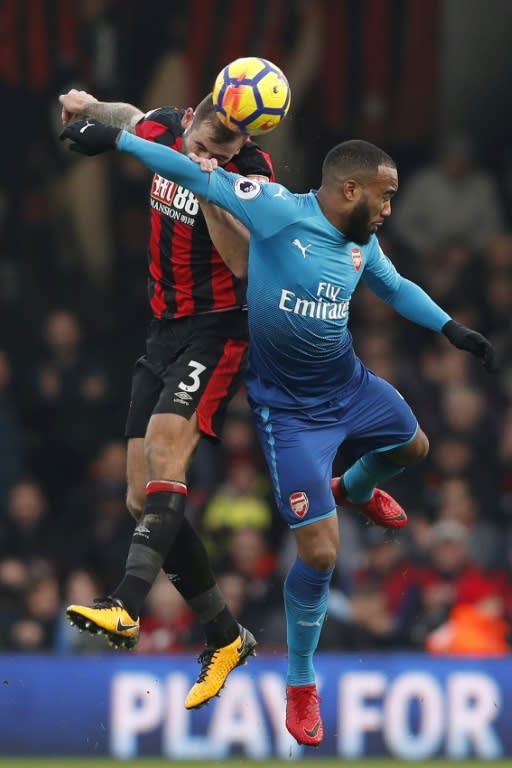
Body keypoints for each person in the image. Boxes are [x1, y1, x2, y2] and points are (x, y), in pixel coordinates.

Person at [60, 120, 496, 746]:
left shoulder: (359, 243)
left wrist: (453, 329)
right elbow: (190, 171)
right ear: (350, 190)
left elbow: (396, 288)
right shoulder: (275, 211)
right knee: (321, 554)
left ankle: (354, 486)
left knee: (415, 445)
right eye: (385, 196)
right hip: (289, 415)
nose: (390, 208)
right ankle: (300, 682)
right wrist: (120, 140)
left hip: (350, 387)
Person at [58, 88, 275, 711]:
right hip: (163, 330)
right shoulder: (162, 130)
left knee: (164, 450)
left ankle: (124, 603)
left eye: (223, 151)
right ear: (189, 126)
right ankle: (225, 636)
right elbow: (129, 120)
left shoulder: (250, 175)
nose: (208, 157)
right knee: (137, 495)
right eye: (202, 147)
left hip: (220, 328)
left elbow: (242, 265)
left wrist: (212, 188)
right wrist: (87, 104)